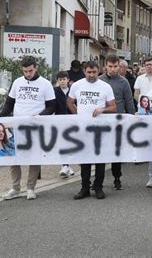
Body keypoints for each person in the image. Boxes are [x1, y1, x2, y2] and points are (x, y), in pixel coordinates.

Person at [0, 56, 56, 200]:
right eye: (25, 71)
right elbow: (9, 103)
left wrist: (41, 115)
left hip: (35, 126)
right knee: (13, 156)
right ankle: (15, 188)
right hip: (16, 126)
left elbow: (52, 105)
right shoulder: (17, 82)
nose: (28, 74)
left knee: (34, 156)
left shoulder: (45, 84)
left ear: (36, 68)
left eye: (30, 71)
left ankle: (30, 188)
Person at [67, 61, 116, 200]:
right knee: (85, 159)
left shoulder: (105, 86)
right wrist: (78, 115)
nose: (91, 75)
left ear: (98, 71)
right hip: (83, 128)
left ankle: (98, 186)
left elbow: (113, 107)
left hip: (100, 128)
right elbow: (70, 102)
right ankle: (84, 188)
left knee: (100, 159)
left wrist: (102, 109)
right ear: (84, 71)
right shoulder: (77, 85)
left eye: (94, 72)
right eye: (89, 72)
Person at [100, 54, 136, 190]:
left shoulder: (124, 82)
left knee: (116, 152)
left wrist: (132, 118)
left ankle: (116, 177)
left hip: (118, 121)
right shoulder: (99, 81)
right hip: (103, 121)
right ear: (105, 66)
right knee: (101, 151)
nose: (113, 69)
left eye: (116, 66)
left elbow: (129, 102)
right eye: (110, 66)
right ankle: (99, 180)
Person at [134, 58, 152, 187]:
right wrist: (144, 103)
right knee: (148, 143)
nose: (149, 66)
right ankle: (151, 177)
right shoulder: (140, 78)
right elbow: (136, 94)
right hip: (143, 112)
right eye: (147, 65)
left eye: (151, 64)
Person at [54, 71, 75, 178]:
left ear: (68, 80)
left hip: (71, 119)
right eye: (60, 79)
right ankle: (65, 165)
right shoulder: (55, 91)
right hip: (59, 119)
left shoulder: (72, 90)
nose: (62, 81)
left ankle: (68, 166)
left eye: (64, 79)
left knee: (70, 143)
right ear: (57, 81)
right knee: (62, 143)